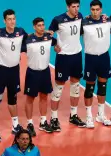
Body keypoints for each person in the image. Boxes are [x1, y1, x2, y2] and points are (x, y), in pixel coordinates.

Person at [0, 9, 28, 141]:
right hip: (1, 71)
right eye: (9, 19)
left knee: (13, 98)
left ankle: (15, 125)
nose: (12, 21)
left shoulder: (20, 32)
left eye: (13, 19)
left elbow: (32, 39)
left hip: (14, 71)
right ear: (4, 21)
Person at [48, 0, 86, 130]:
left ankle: (73, 115)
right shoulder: (58, 19)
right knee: (59, 87)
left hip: (77, 55)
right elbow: (48, 34)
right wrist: (55, 45)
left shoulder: (79, 16)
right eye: (73, 7)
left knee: (76, 85)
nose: (76, 9)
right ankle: (53, 118)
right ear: (67, 7)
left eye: (77, 6)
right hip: (63, 57)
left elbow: (81, 31)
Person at [23, 17, 59, 135]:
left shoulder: (48, 37)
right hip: (32, 73)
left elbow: (56, 44)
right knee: (30, 99)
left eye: (43, 25)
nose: (42, 27)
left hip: (45, 72)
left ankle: (43, 122)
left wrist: (57, 47)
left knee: (44, 96)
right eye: (39, 25)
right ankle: (29, 123)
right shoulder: (28, 40)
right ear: (34, 27)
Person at [81, 0, 111, 128]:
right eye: (92, 10)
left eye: (97, 9)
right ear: (90, 10)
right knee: (90, 87)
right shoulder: (84, 22)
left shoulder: (108, 20)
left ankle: (100, 114)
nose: (95, 12)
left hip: (104, 57)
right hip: (91, 58)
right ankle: (89, 116)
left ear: (101, 9)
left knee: (103, 86)